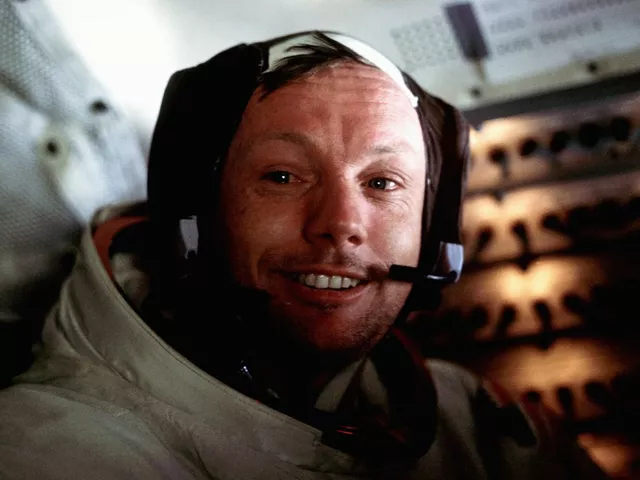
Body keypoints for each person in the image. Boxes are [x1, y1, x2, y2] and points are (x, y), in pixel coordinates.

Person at [0, 31, 608, 479]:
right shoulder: (49, 455)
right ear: (194, 215)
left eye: (382, 183)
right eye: (284, 177)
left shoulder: (477, 424)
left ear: (435, 234)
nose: (340, 226)